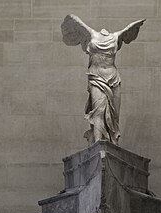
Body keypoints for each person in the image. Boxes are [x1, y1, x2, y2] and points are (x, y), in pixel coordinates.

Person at [61, 14, 146, 145]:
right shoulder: (90, 34)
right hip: (96, 76)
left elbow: (130, 31)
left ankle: (114, 143)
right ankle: (97, 143)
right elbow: (71, 22)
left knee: (114, 112)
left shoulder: (116, 36)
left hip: (113, 77)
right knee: (98, 109)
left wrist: (135, 26)